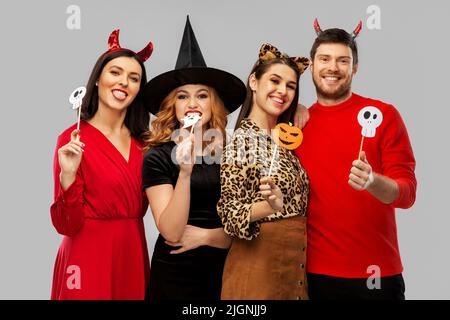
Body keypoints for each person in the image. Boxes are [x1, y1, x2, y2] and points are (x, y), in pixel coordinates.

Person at [294, 20, 417, 300]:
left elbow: (407, 194)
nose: (333, 68)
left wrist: (373, 181)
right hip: (313, 276)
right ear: (311, 66)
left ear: (355, 68)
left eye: (343, 60)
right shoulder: (295, 126)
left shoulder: (384, 115)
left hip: (376, 276)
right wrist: (295, 107)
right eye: (324, 59)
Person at [141, 16, 246, 301]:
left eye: (202, 95)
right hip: (175, 275)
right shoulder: (157, 158)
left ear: (213, 104)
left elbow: (246, 228)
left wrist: (206, 237)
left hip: (227, 271)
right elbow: (173, 233)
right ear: (172, 106)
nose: (192, 104)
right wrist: (184, 173)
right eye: (182, 97)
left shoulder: (233, 152)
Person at [50, 30, 153, 299]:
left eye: (134, 78)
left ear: (139, 89)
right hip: (86, 257)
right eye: (115, 72)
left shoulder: (146, 144)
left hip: (131, 251)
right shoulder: (72, 139)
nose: (123, 83)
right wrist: (68, 177)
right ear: (97, 80)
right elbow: (67, 226)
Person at [217, 43, 310, 300]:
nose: (283, 91)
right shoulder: (241, 141)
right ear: (254, 82)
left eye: (291, 86)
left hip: (294, 268)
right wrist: (269, 207)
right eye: (275, 81)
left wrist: (302, 111)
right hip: (257, 271)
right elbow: (230, 215)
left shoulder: (285, 139)